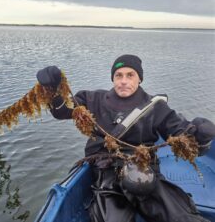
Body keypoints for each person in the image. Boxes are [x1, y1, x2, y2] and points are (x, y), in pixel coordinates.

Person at [36, 54, 215, 222]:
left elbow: (181, 132)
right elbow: (62, 111)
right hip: (106, 169)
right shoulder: (92, 99)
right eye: (118, 75)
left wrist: (201, 136)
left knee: (180, 215)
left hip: (145, 169)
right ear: (113, 78)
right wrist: (52, 89)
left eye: (130, 75)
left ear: (139, 78)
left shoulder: (155, 107)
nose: (123, 81)